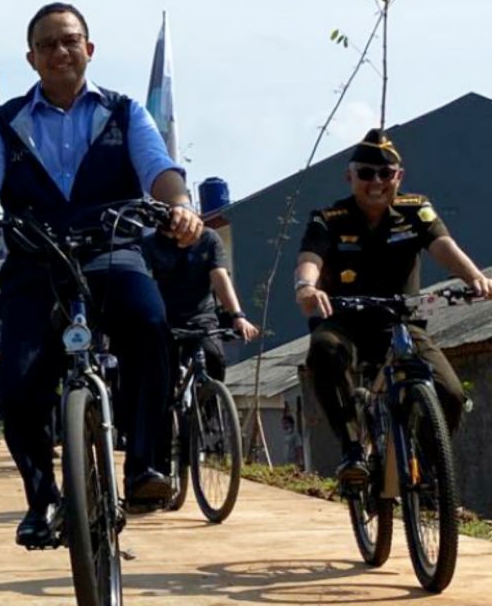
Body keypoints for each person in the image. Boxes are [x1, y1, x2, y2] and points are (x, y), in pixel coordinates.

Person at [0, 2, 204, 546]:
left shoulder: (126, 111)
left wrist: (179, 206)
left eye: (70, 41)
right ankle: (42, 499)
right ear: (31, 58)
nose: (60, 52)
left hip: (112, 249)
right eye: (47, 45)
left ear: (89, 48)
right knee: (16, 384)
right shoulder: (5, 121)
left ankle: (145, 466)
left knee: (149, 323)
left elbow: (159, 170)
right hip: (36, 259)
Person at [295, 128, 491, 482]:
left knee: (450, 393)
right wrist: (306, 286)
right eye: (366, 173)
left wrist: (474, 278)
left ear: (398, 177)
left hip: (402, 323)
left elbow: (443, 245)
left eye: (386, 174)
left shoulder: (417, 210)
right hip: (346, 322)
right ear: (350, 176)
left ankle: (429, 471)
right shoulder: (329, 218)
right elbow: (311, 256)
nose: (376, 182)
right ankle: (353, 449)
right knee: (323, 351)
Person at [143, 227, 260, 380]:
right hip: (166, 319)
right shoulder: (151, 244)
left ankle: (212, 398)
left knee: (215, 358)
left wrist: (238, 316)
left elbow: (219, 277)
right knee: (166, 374)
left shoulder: (208, 238)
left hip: (202, 317)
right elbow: (146, 284)